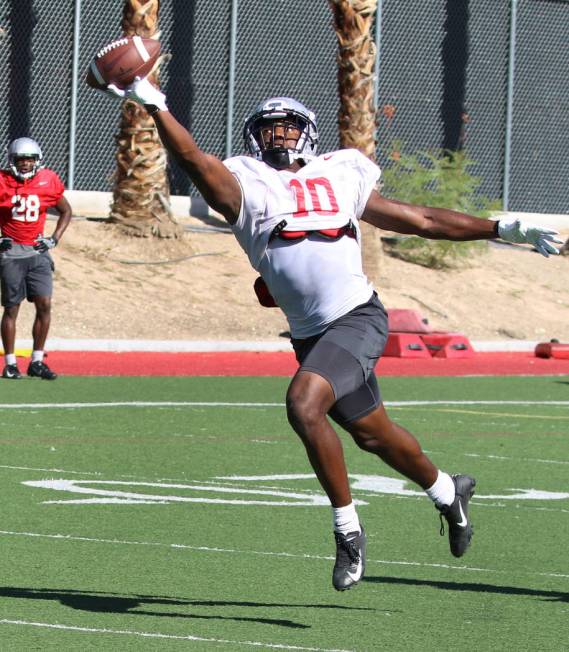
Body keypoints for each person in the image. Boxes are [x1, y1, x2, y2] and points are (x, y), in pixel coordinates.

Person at [101, 77, 561, 591]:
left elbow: (422, 219)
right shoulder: (244, 183)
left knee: (303, 403)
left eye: (289, 127)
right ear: (254, 138)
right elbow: (193, 160)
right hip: (310, 333)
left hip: (358, 316)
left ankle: (348, 529)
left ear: (309, 134)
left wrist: (501, 229)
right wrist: (157, 106)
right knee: (371, 434)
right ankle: (448, 491)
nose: (279, 136)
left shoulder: (343, 173)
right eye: (270, 129)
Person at [0, 137, 72, 380]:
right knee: (12, 308)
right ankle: (10, 364)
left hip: (37, 252)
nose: (25, 164)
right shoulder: (2, 180)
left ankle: (37, 361)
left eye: (30, 159)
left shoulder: (48, 180)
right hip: (11, 253)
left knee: (44, 304)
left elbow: (66, 210)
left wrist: (54, 238)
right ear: (12, 160)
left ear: (37, 161)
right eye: (21, 159)